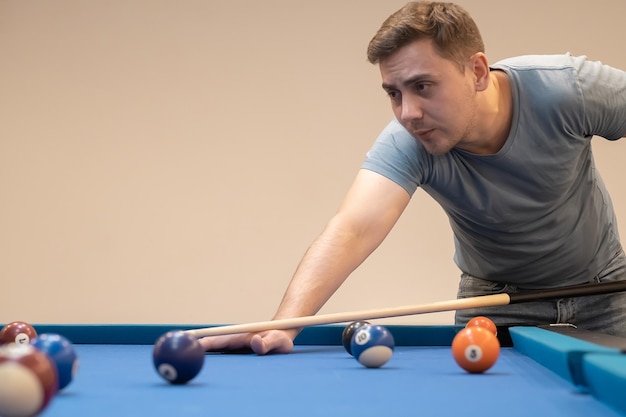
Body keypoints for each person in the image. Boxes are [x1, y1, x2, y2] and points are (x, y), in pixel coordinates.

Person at [199, 1, 626, 354]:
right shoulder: (411, 140)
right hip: (497, 303)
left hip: (605, 291)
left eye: (423, 86)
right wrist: (284, 325)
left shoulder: (565, 89)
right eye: (394, 93)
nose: (408, 113)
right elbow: (354, 227)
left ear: (477, 72)